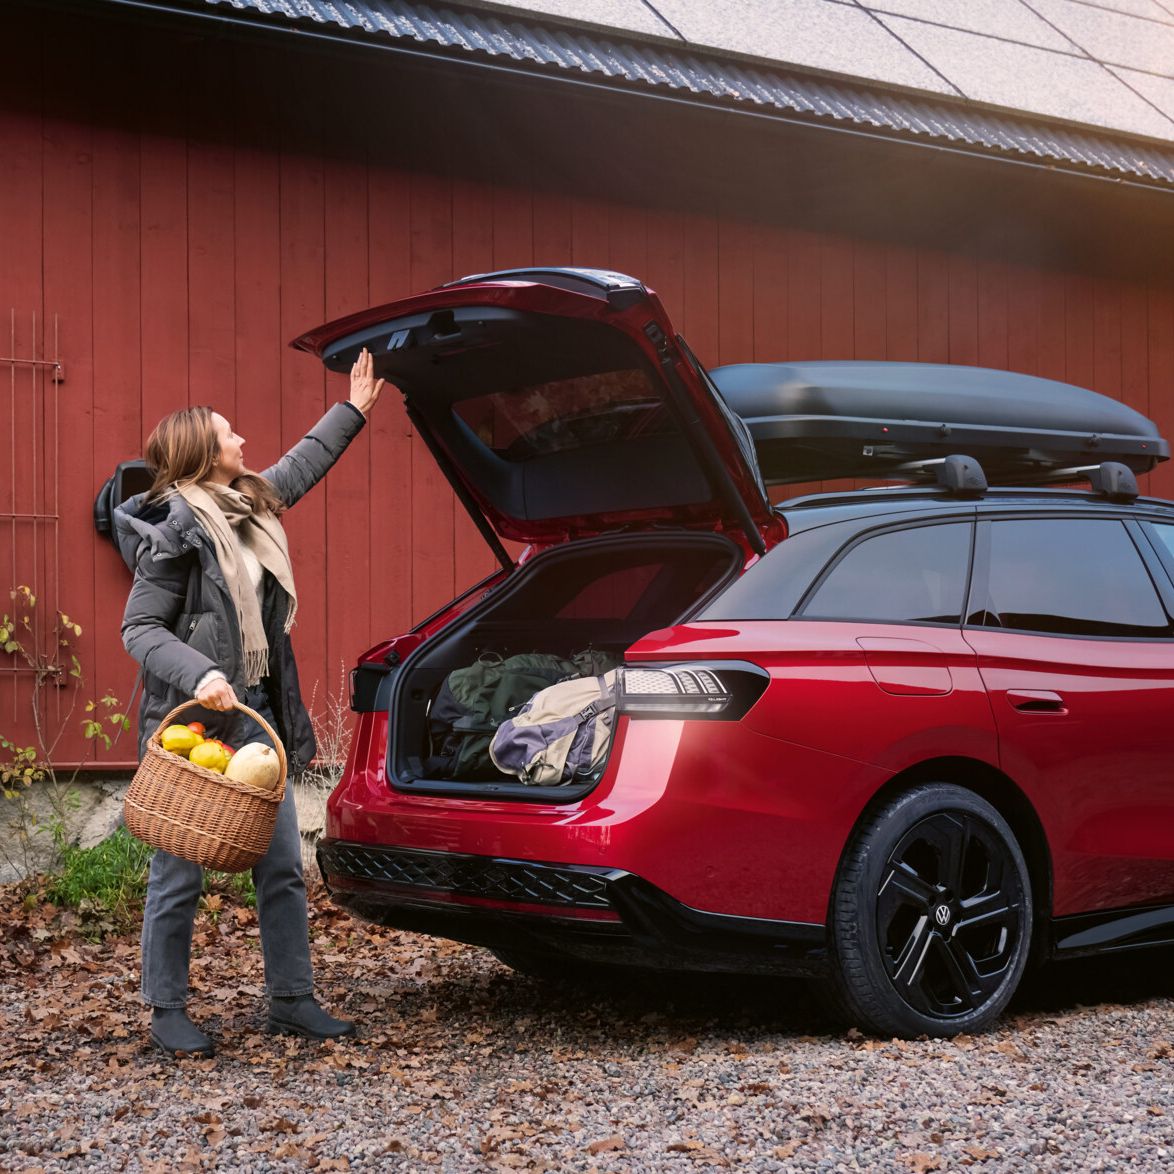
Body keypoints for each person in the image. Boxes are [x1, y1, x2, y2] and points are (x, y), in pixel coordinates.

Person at [114, 349, 386, 1057]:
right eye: (229, 433)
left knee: (282, 867)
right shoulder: (174, 530)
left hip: (258, 716)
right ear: (205, 454)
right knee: (179, 873)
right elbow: (139, 628)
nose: (242, 440)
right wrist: (201, 672)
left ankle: (291, 1000)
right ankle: (166, 1008)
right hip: (193, 728)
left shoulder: (249, 506)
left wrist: (352, 410)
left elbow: (299, 467)